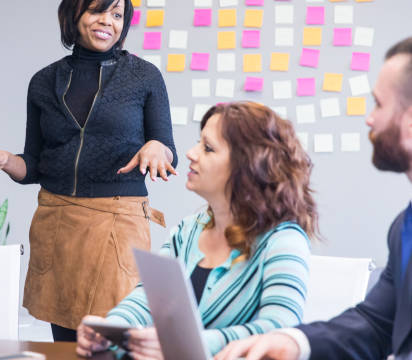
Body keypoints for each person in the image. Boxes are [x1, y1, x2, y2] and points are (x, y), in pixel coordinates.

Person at [0, 0, 178, 341]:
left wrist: (155, 148)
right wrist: (5, 161)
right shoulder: (43, 81)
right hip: (57, 224)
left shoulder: (144, 77)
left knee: (115, 340)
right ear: (73, 14)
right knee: (66, 343)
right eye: (98, 10)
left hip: (118, 224)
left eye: (117, 15)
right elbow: (33, 164)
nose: (108, 22)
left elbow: (165, 147)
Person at [215, 37, 412, 360]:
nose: (369, 119)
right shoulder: (404, 228)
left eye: (378, 104)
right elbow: (377, 324)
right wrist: (293, 343)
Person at [77, 102, 320, 358]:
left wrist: (186, 344)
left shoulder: (284, 241)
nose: (191, 153)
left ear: (247, 166)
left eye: (208, 148)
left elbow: (279, 330)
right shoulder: (188, 230)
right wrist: (111, 328)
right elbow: (147, 297)